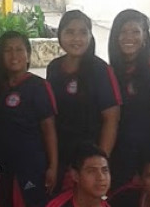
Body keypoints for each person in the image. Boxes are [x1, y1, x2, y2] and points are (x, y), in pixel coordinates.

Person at [0, 31, 58, 207]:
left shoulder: (38, 86)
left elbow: (49, 129)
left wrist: (53, 166)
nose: (14, 55)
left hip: (31, 167)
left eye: (19, 49)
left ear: (28, 55)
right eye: (8, 50)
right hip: (4, 169)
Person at [46, 10, 121, 187]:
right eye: (70, 32)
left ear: (90, 36)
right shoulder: (54, 68)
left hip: (90, 157)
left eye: (82, 32)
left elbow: (111, 119)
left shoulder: (101, 70)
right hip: (60, 154)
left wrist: (100, 163)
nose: (76, 38)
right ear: (60, 35)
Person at [106, 9, 150, 187]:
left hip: (146, 154)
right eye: (123, 32)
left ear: (145, 37)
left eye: (135, 31)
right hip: (119, 152)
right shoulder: (112, 70)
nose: (129, 37)